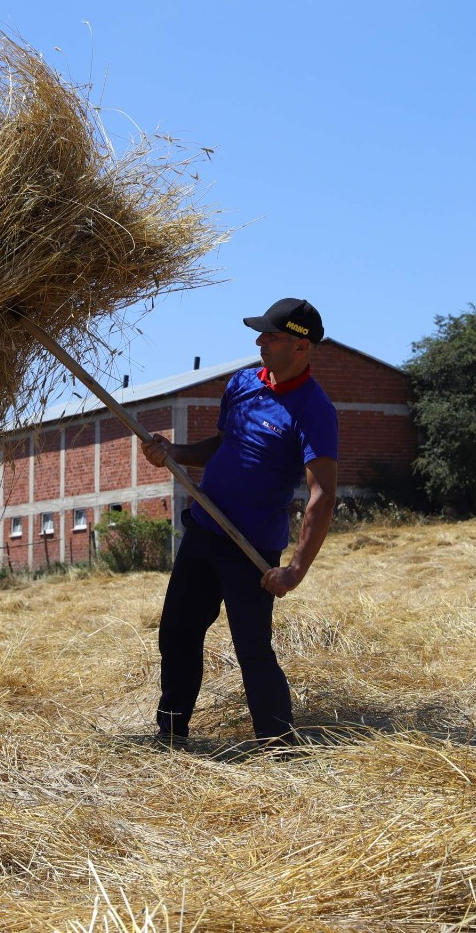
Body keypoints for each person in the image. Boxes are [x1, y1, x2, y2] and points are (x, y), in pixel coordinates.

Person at [142, 297, 339, 746]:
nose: (260, 342)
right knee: (177, 632)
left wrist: (295, 569)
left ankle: (278, 744)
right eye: (262, 333)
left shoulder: (314, 410)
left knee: (251, 648)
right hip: (205, 530)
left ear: (301, 347)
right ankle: (170, 733)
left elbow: (322, 496)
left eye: (272, 336)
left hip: (251, 550)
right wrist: (175, 454)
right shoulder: (243, 384)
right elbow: (223, 444)